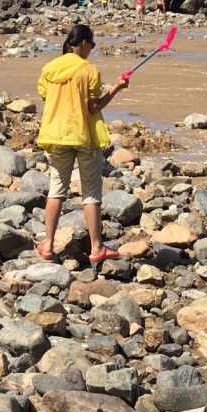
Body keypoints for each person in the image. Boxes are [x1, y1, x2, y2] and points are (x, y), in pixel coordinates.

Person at [36, 24, 129, 264]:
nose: (92, 49)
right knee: (91, 193)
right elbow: (94, 107)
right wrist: (117, 87)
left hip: (57, 135)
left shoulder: (49, 69)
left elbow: (45, 96)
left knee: (56, 190)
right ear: (84, 43)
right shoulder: (89, 70)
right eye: (93, 44)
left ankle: (47, 245)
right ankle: (97, 247)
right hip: (83, 135)